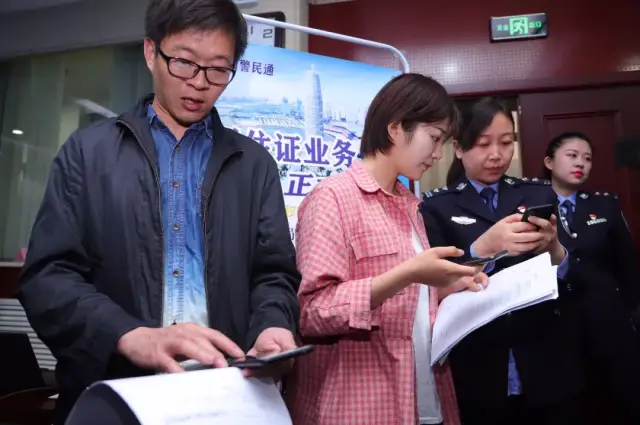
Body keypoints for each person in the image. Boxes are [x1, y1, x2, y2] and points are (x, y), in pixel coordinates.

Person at [17, 1, 300, 423]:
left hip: (224, 396)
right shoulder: (88, 153)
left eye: (218, 69)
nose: (199, 83)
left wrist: (273, 325)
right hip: (115, 397)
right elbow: (48, 277)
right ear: (151, 52)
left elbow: (273, 273)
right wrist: (127, 334)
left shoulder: (254, 164)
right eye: (184, 62)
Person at [284, 73, 489, 425]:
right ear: (395, 128)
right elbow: (311, 312)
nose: (438, 154)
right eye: (434, 138)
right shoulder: (332, 198)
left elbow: (406, 301)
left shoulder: (408, 204)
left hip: (424, 397)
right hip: (360, 406)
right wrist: (408, 273)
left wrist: (444, 288)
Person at [419, 97, 585, 425]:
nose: (497, 154)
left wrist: (555, 251)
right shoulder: (435, 207)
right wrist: (482, 249)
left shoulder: (538, 194)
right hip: (478, 364)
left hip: (546, 358)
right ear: (459, 148)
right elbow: (432, 292)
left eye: (507, 142)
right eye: (483, 144)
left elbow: (577, 282)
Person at [542, 132, 640, 424]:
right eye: (572, 156)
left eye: (587, 159)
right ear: (549, 162)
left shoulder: (605, 206)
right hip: (555, 324)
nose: (580, 164)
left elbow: (628, 265)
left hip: (607, 321)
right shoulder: (532, 207)